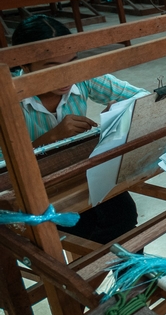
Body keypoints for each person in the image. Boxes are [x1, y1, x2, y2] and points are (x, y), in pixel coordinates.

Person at [11, 15, 146, 244]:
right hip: (31, 185)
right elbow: (3, 168)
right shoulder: (8, 98)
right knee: (88, 227)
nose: (67, 76)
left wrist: (120, 110)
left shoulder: (81, 78)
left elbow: (142, 97)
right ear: (25, 66)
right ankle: (104, 273)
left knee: (123, 213)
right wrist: (50, 138)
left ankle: (127, 275)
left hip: (77, 170)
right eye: (51, 68)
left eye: (72, 62)